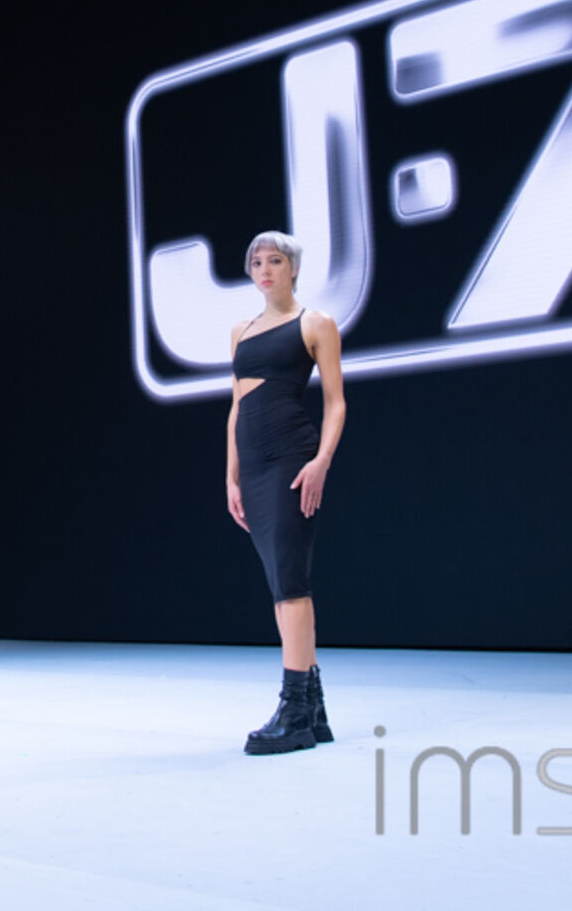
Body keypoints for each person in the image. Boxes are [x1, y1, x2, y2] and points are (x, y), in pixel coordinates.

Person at [226, 231, 346, 754]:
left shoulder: (315, 323)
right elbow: (235, 407)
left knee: (290, 581)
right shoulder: (241, 332)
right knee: (279, 580)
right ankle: (313, 712)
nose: (265, 270)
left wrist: (321, 461)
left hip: (291, 459)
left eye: (275, 260)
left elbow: (336, 402)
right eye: (257, 262)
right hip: (252, 465)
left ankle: (293, 712)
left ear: (292, 267)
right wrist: (230, 476)